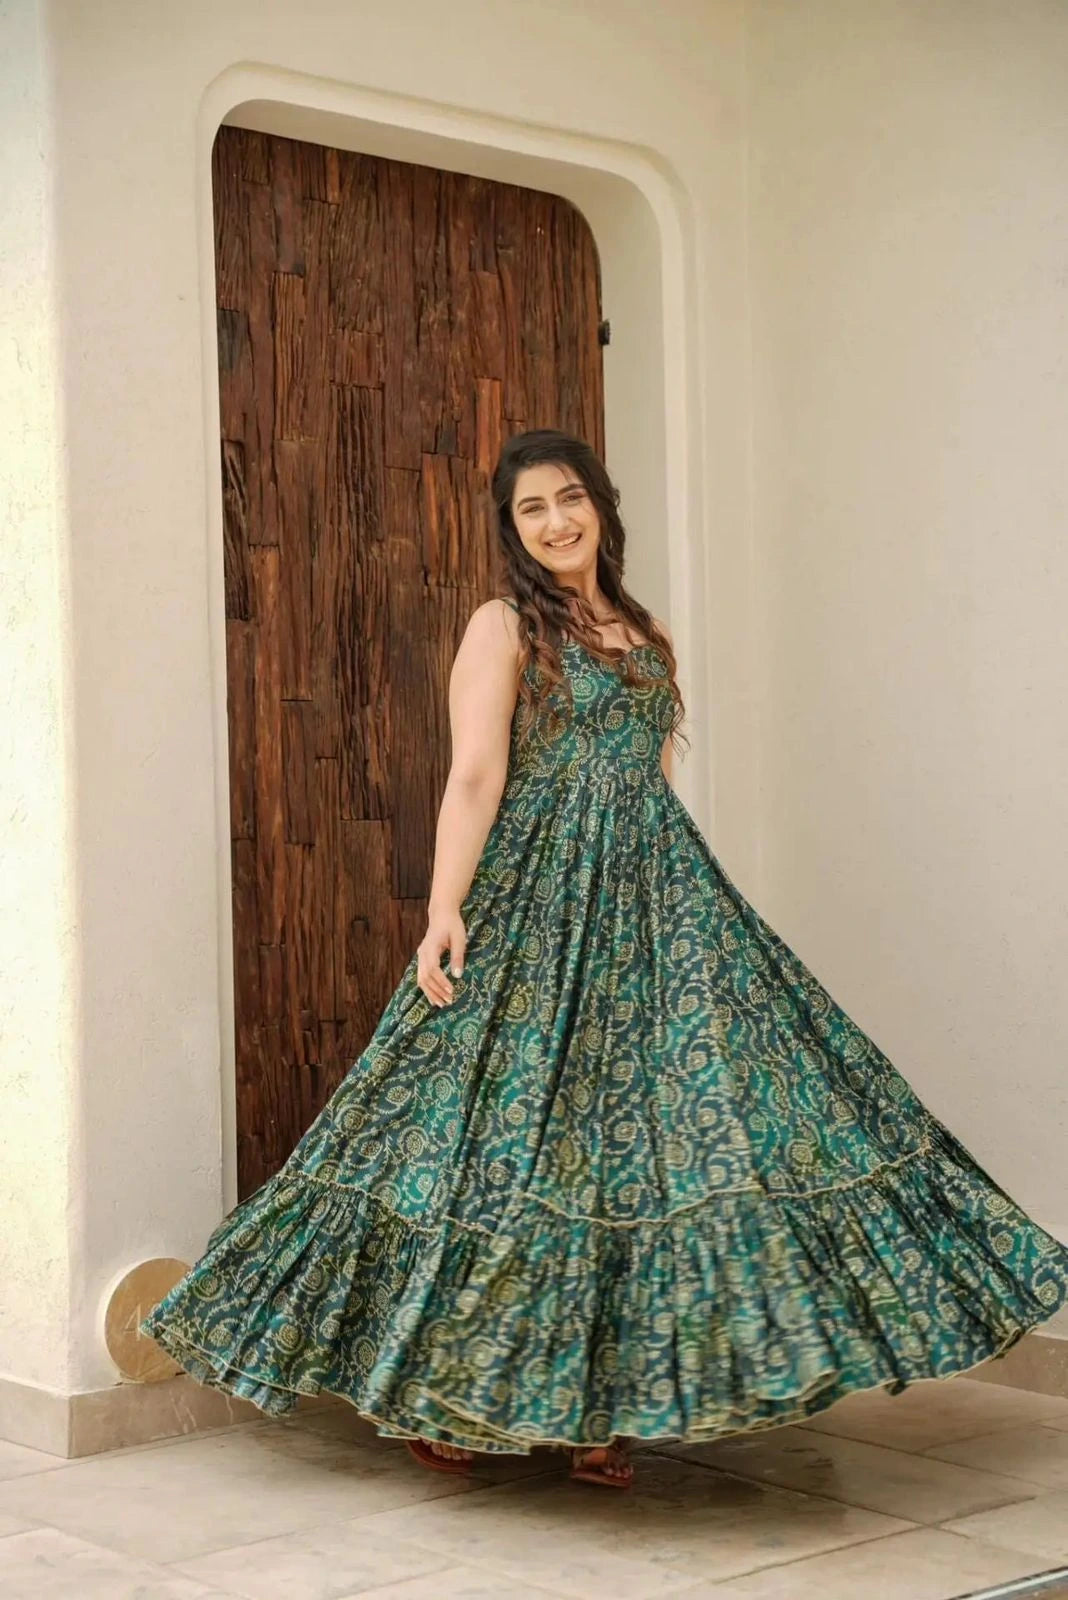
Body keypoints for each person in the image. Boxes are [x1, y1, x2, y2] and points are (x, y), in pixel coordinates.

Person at [141, 427, 1068, 1491]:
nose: (552, 523)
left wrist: (684, 915)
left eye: (567, 500)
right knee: (499, 1138)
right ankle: (449, 1395)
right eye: (530, 510)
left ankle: (605, 1409)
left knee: (650, 1145)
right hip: (534, 896)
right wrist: (444, 910)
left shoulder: (649, 634)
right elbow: (477, 776)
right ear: (514, 529)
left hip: (658, 901)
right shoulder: (502, 627)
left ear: (601, 506)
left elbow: (650, 777)